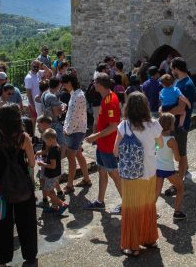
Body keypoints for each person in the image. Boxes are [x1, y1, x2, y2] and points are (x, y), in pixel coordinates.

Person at [0, 103, 37, 266]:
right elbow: (32, 163)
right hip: (23, 187)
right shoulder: (24, 137)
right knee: (26, 222)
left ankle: (1, 259)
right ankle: (29, 255)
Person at [113, 92, 161, 257]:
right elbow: (160, 145)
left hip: (131, 175)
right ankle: (149, 239)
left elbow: (115, 151)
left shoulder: (124, 126)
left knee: (131, 209)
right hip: (150, 171)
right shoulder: (154, 125)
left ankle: (133, 247)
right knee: (147, 205)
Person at [84, 72, 122, 211]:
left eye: (94, 82)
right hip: (102, 144)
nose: (93, 84)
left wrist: (95, 136)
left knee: (114, 174)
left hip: (107, 146)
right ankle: (100, 202)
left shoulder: (110, 100)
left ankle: (127, 203)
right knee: (101, 170)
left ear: (99, 84)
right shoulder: (106, 98)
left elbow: (114, 126)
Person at [165, 57, 196, 197]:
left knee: (181, 154)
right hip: (176, 124)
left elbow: (181, 108)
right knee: (181, 151)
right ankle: (183, 171)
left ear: (176, 68)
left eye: (172, 69)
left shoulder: (186, 85)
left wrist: (164, 112)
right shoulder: (181, 82)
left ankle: (179, 182)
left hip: (180, 126)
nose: (171, 71)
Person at [61, 73, 92, 192]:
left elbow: (75, 117)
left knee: (71, 157)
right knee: (78, 154)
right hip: (77, 129)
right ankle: (86, 179)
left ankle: (70, 185)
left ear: (69, 82)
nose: (63, 85)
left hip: (75, 131)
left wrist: (67, 131)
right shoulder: (76, 94)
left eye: (64, 83)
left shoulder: (77, 96)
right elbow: (74, 113)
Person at [155, 113, 186, 220]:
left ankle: (150, 213)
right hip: (168, 169)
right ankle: (177, 213)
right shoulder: (172, 140)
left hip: (157, 168)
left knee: (156, 192)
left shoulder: (156, 137)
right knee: (180, 187)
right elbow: (177, 158)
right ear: (170, 125)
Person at [37, 128, 68, 214]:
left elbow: (52, 166)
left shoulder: (52, 151)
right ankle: (55, 206)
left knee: (48, 191)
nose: (45, 143)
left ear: (51, 140)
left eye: (46, 141)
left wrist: (42, 164)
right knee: (50, 190)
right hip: (55, 173)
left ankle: (62, 204)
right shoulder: (56, 146)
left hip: (52, 174)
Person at [41, 77, 66, 158]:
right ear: (58, 85)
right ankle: (60, 162)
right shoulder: (52, 96)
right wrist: (64, 108)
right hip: (54, 123)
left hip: (46, 122)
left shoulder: (44, 93)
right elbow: (56, 113)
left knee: (48, 143)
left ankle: (48, 160)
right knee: (62, 144)